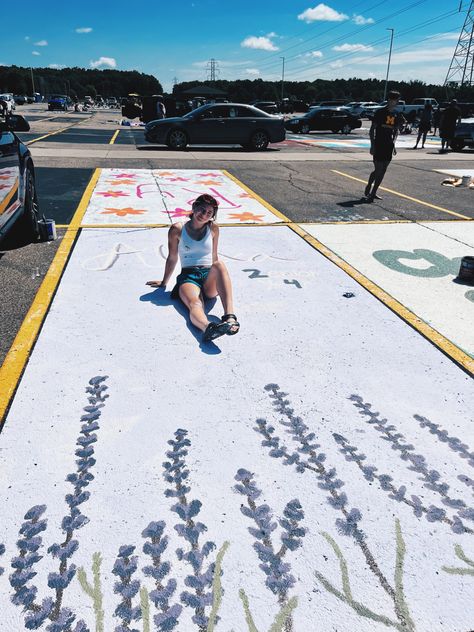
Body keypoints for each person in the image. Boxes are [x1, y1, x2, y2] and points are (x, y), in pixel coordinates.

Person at [146, 193, 240, 343]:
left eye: (209, 213)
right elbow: (172, 257)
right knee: (195, 303)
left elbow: (214, 257)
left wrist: (217, 278)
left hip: (208, 276)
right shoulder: (177, 228)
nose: (204, 215)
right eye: (202, 210)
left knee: (219, 264)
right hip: (189, 277)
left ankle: (229, 316)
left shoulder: (213, 228)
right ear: (194, 207)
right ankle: (208, 328)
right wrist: (164, 283)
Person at [364, 90, 405, 202]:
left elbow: (396, 131)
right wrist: (372, 145)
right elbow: (372, 129)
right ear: (389, 100)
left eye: (397, 100)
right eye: (395, 100)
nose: (396, 102)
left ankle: (374, 192)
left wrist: (394, 143)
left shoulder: (396, 114)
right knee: (378, 169)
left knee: (383, 170)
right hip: (379, 144)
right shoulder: (380, 112)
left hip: (389, 145)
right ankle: (369, 185)